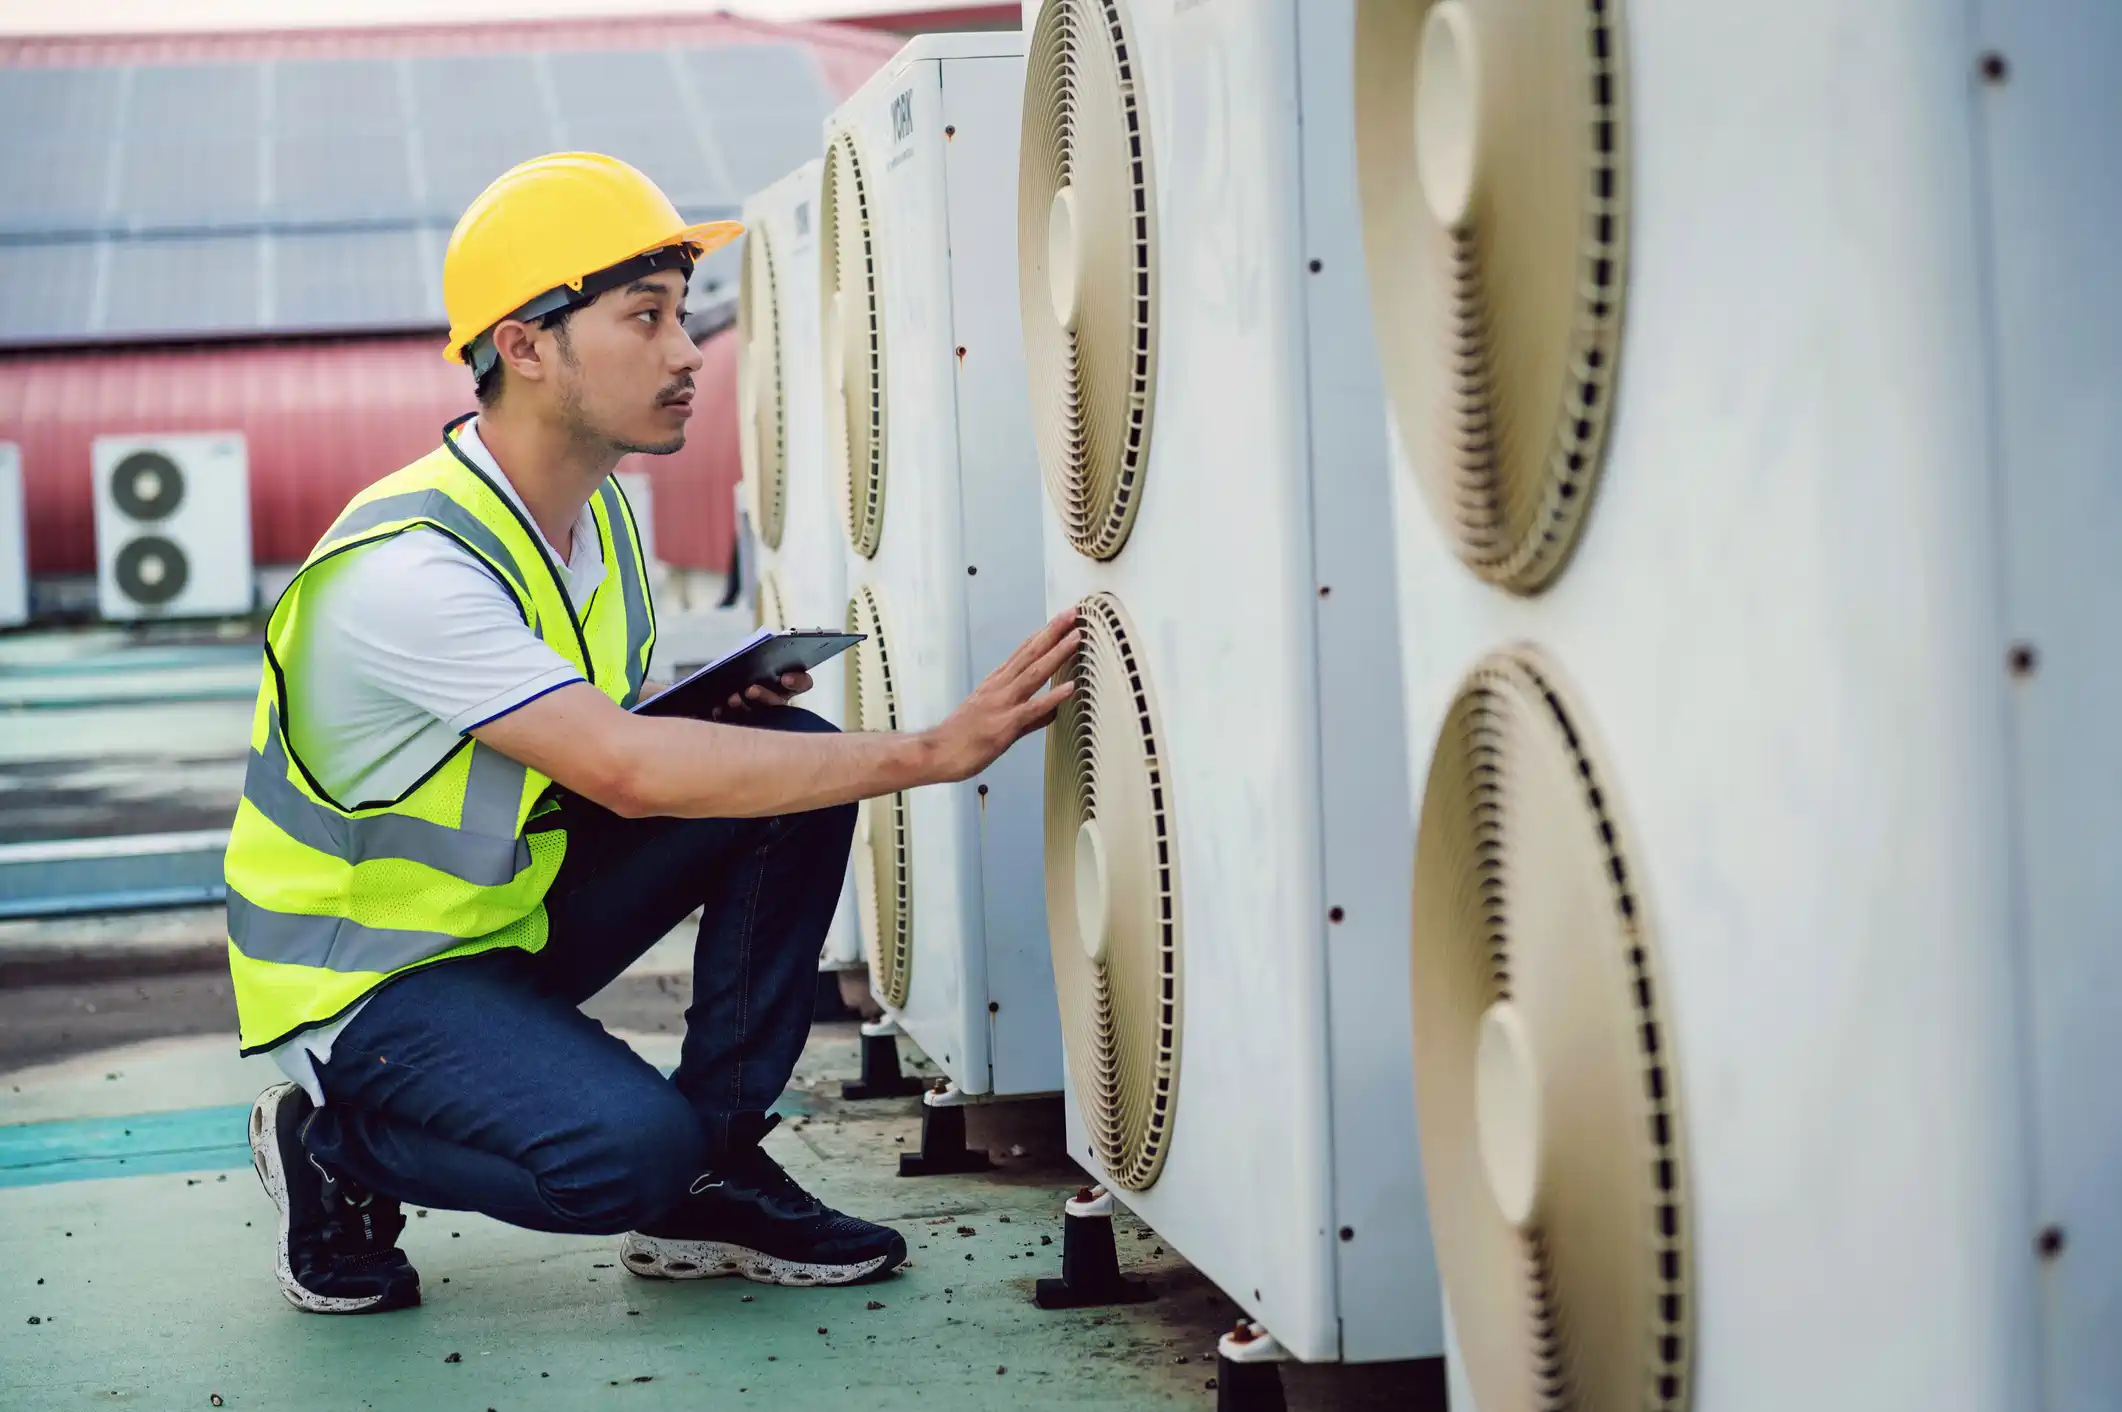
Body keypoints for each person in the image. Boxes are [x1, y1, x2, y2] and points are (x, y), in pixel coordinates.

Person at [225, 152, 1079, 1315]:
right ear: (524, 345)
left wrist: (711, 722)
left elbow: (584, 745)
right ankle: (331, 1141)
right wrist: (932, 749)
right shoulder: (408, 568)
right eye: (647, 317)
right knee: (622, 1154)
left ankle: (716, 1164)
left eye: (683, 316)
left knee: (794, 769)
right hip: (366, 977)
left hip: (507, 912)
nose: (687, 352)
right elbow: (623, 772)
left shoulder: (598, 516)